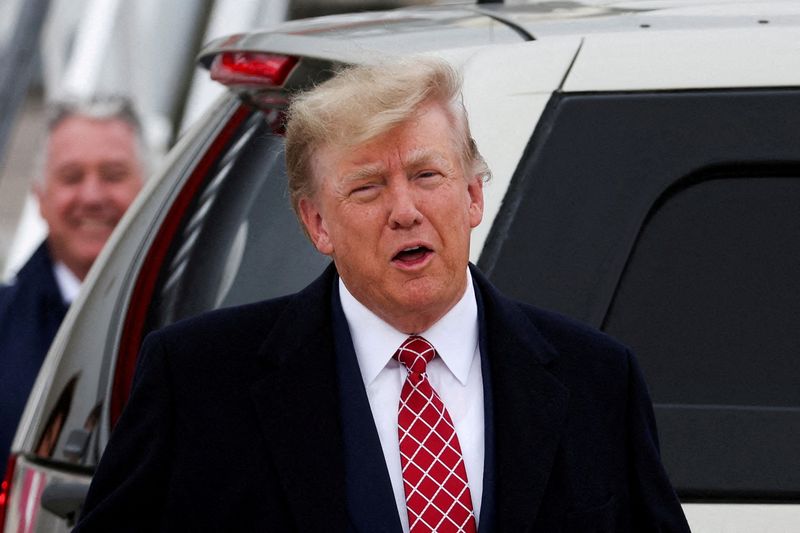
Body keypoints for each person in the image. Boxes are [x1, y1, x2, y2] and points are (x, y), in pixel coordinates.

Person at [75, 59, 690, 532]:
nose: (405, 211)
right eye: (367, 188)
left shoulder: (598, 380)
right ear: (317, 223)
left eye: (427, 176)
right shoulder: (199, 382)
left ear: (473, 195)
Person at [0, 96, 145, 481]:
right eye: (71, 177)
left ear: (148, 189)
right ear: (40, 198)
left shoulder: (202, 318)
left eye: (113, 175)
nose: (93, 196)